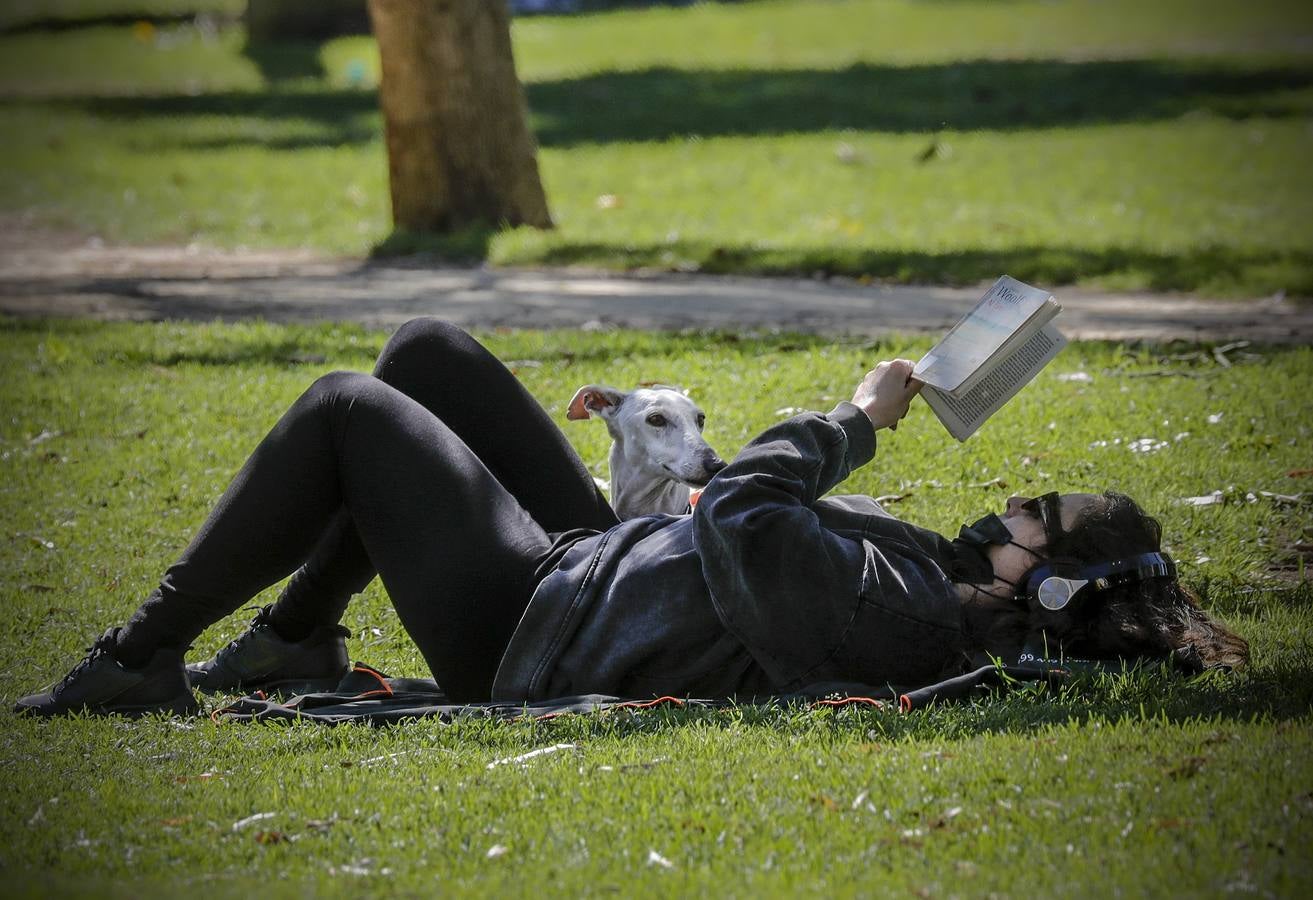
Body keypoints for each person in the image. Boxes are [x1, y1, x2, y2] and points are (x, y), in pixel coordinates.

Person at [16, 319, 1247, 717]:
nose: (1007, 512)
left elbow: (746, 518)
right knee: (427, 355)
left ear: (1051, 585)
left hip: (543, 625)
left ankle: (136, 660)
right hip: (604, 564)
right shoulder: (934, 578)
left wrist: (858, 421)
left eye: (1032, 521)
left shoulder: (914, 619)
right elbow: (727, 519)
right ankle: (300, 636)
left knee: (349, 407)